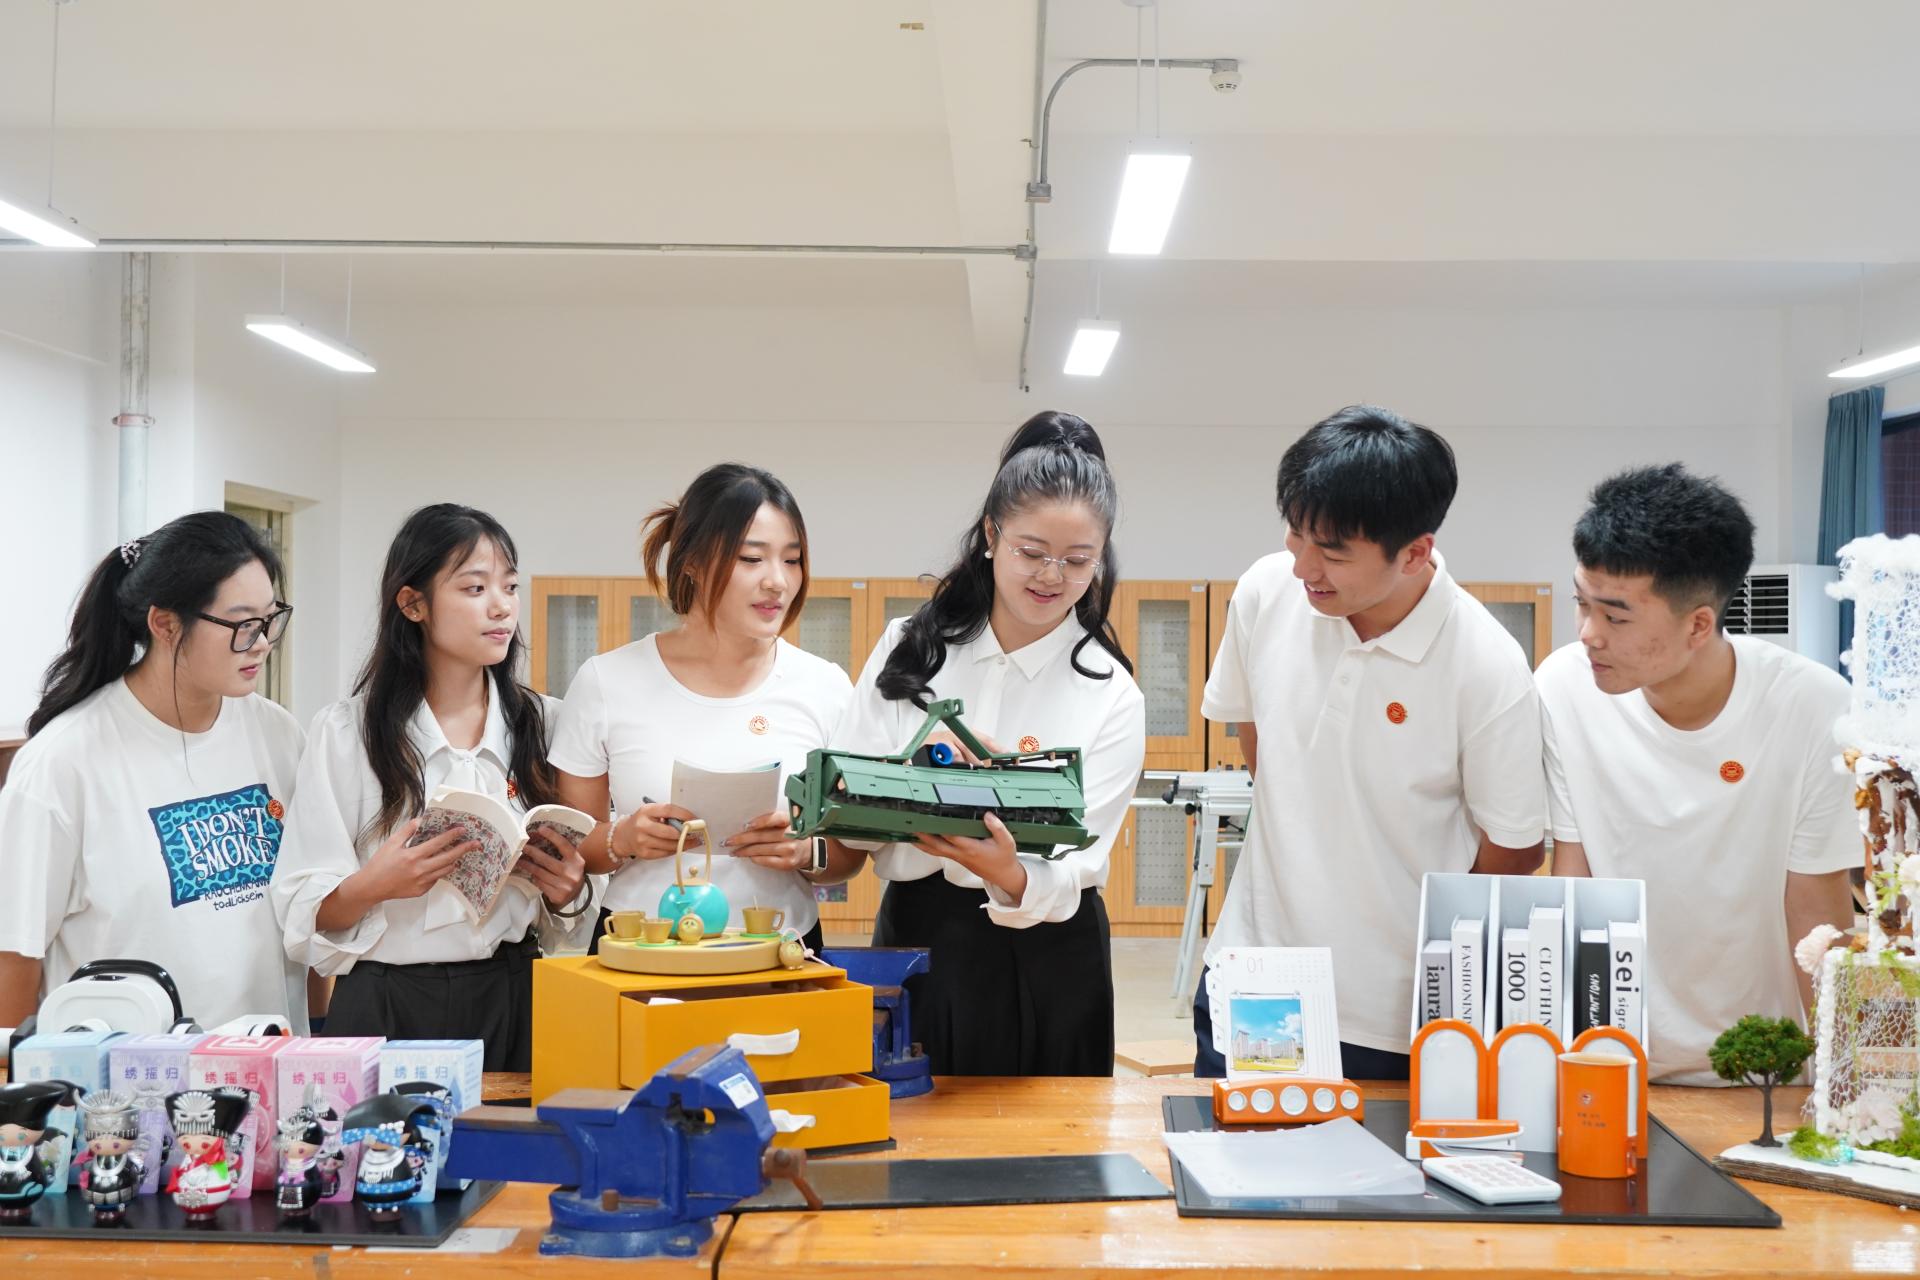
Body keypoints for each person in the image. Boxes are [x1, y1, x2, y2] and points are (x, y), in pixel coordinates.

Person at [1196, 405, 1546, 1079]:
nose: (1304, 567)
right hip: (1254, 975)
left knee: (1373, 1155)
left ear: (1416, 552)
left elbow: (1516, 848)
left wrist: (1431, 962)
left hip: (1391, 1016)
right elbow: (1258, 737)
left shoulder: (1486, 665)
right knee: (1233, 1147)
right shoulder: (1266, 593)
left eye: (1333, 552)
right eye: (1296, 535)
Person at [823, 411, 1146, 1076]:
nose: (1051, 576)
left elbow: (1080, 863)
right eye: (1032, 552)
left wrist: (1007, 869)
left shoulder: (1111, 692)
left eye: (1077, 560)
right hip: (920, 934)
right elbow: (845, 801)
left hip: (1051, 951)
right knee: (909, 1124)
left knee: (1053, 1137)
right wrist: (909, 774)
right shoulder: (912, 646)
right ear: (993, 535)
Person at [1536, 464, 1857, 1083]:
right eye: (1582, 603)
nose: (1588, 635)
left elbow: (1816, 911)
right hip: (1609, 1060)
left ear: (1698, 624)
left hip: (1762, 1065)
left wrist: (1840, 1080)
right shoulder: (1562, 686)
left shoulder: (1814, 708)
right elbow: (1573, 878)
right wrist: (1563, 1055)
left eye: (1616, 617)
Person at [271, 505, 589, 1071]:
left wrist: (567, 891)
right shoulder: (346, 732)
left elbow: (571, 912)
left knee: (511, 1134)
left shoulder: (546, 722)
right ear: (412, 603)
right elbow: (302, 909)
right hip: (384, 1000)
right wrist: (374, 885)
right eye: (475, 588)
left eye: (510, 586)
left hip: (514, 995)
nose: (501, 606)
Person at [0, 512, 307, 1032]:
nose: (262, 642)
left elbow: (305, 909)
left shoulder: (278, 734)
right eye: (241, 624)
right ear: (164, 624)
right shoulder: (63, 762)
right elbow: (15, 954)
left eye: (269, 619)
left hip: (268, 1064)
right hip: (122, 1079)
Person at [550, 464, 852, 951]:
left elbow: (850, 854)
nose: (778, 581)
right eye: (751, 558)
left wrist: (804, 851)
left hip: (781, 952)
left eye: (792, 560)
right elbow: (572, 843)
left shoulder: (825, 686)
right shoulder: (606, 681)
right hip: (641, 951)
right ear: (691, 562)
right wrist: (623, 839)